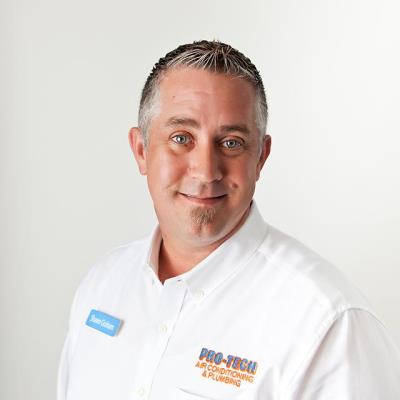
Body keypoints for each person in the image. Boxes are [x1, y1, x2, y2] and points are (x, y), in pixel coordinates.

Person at [57, 40, 400, 400]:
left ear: (261, 157)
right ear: (141, 150)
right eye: (181, 138)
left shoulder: (329, 323)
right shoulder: (103, 285)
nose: (206, 171)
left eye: (232, 142)